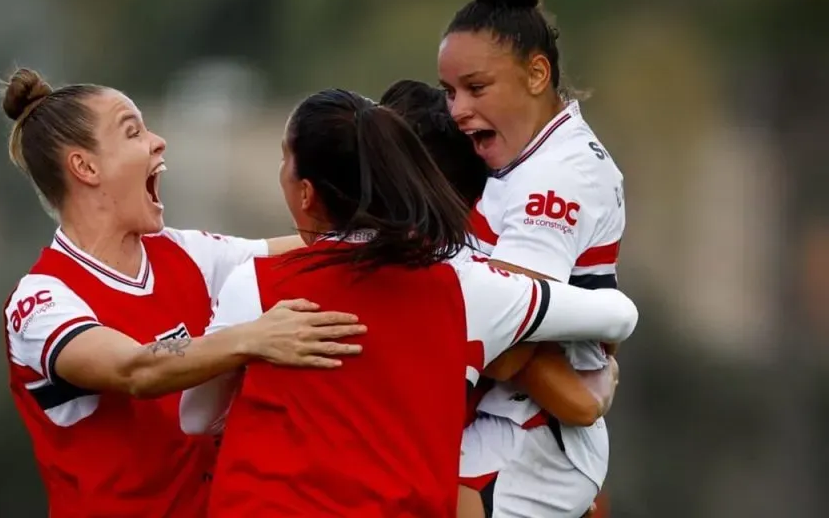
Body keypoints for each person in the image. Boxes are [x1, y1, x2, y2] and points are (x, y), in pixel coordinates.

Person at [179, 88, 637, 517]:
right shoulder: (466, 283)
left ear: (306, 193)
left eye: (284, 158)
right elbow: (618, 314)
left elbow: (196, 416)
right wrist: (600, 359)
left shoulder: (257, 284)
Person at [0, 68, 367, 518]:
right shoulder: (42, 299)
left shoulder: (180, 251)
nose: (158, 141)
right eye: (133, 132)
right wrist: (252, 337)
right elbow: (134, 369)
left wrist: (395, 227)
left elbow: (312, 245)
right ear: (86, 167)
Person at [437, 0, 627, 518]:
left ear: (537, 74)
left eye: (475, 87)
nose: (458, 109)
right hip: (509, 428)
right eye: (449, 92)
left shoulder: (557, 179)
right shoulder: (518, 158)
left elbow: (505, 331)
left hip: (527, 444)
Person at [382, 79, 617, 517]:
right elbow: (587, 395)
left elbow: (574, 398)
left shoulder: (454, 265)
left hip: (502, 464)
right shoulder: (392, 256)